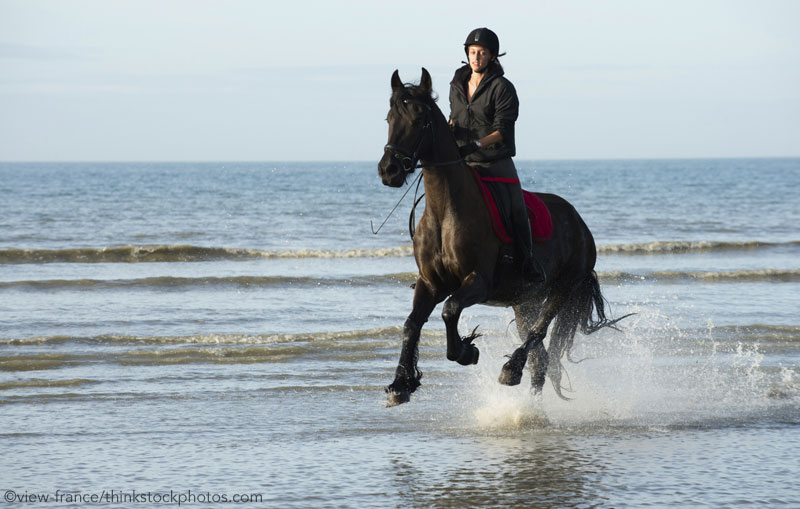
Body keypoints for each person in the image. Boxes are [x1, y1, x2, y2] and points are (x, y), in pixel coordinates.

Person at [449, 27, 545, 282]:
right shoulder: (456, 84)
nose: (476, 57)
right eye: (472, 52)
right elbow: (454, 118)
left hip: (495, 161)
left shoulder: (503, 87)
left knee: (516, 207)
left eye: (482, 53)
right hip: (463, 161)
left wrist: (476, 145)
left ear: (492, 56)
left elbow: (502, 131)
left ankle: (528, 262)